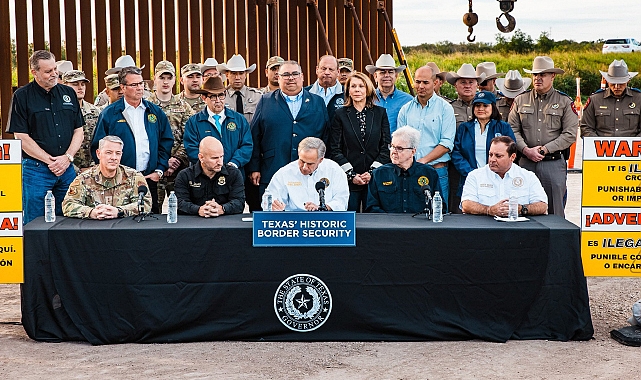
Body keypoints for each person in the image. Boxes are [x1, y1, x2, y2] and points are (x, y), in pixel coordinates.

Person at [8, 50, 84, 224]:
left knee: (70, 220)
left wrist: (67, 158)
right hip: (36, 170)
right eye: (48, 71)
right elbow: (20, 136)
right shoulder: (22, 96)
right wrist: (51, 161)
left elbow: (78, 130)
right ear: (34, 72)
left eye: (55, 69)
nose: (54, 74)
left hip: (66, 169)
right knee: (35, 223)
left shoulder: (68, 93)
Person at [91, 66, 174, 214]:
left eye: (141, 83)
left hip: (148, 179)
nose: (139, 88)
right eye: (134, 85)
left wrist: (159, 170)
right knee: (120, 224)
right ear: (122, 87)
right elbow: (98, 147)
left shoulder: (154, 112)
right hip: (119, 182)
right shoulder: (110, 113)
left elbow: (166, 142)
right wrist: (110, 174)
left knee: (150, 221)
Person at [248, 60, 329, 202]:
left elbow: (326, 135)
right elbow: (254, 136)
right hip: (273, 168)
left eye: (294, 74)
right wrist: (254, 167)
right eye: (285, 74)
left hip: (309, 171)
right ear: (278, 78)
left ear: (302, 77)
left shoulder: (317, 102)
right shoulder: (265, 101)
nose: (290, 78)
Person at [508, 56, 578, 216]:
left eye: (543, 75)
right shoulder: (520, 100)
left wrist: (545, 149)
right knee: (522, 208)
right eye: (535, 75)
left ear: (552, 76)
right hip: (525, 163)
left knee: (555, 211)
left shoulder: (564, 101)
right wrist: (525, 150)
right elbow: (512, 129)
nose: (538, 78)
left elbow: (570, 134)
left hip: (552, 164)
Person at [329, 71, 391, 211]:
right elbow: (335, 149)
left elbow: (386, 146)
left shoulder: (380, 113)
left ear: (368, 89)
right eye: (353, 86)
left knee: (374, 222)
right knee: (351, 219)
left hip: (374, 179)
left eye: (361, 86)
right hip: (349, 180)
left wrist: (372, 172)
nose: (357, 90)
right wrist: (351, 174)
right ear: (348, 90)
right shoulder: (340, 114)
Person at [397, 65, 456, 208]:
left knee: (439, 213)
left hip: (437, 171)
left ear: (435, 83)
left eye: (425, 82)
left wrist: (423, 161)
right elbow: (400, 143)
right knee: (410, 214)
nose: (420, 86)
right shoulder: (406, 109)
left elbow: (447, 143)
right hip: (410, 172)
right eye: (418, 82)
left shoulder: (445, 108)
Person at [62, 135, 152, 219]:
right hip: (94, 230)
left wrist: (119, 211)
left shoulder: (134, 177)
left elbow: (146, 204)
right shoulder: (84, 179)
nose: (114, 157)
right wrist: (91, 212)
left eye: (118, 153)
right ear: (98, 154)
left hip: (124, 230)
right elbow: (68, 205)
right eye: (109, 153)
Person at [452, 91, 516, 206]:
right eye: (477, 105)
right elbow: (457, 153)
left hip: (497, 177)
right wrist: (472, 173)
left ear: (493, 107)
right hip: (470, 177)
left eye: (485, 105)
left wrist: (493, 171)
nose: (481, 108)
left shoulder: (503, 127)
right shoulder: (464, 128)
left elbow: (511, 151)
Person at [461, 136, 548, 217]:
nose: (492, 160)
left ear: (512, 157)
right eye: (490, 155)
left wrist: (522, 209)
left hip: (519, 228)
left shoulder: (528, 177)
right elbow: (466, 204)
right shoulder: (475, 176)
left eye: (498, 156)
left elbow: (542, 206)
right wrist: (488, 210)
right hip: (485, 228)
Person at [147, 60, 195, 206]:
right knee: (152, 210)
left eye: (169, 78)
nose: (166, 82)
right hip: (153, 168)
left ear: (175, 80)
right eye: (162, 78)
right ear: (155, 79)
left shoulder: (184, 107)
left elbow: (189, 137)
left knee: (182, 210)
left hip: (179, 169)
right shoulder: (146, 105)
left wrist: (176, 159)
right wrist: (162, 162)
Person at [183, 76, 252, 171]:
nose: (218, 100)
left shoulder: (239, 119)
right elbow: (192, 149)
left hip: (234, 175)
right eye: (213, 96)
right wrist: (212, 166)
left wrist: (234, 163)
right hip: (206, 177)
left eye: (221, 95)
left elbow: (247, 145)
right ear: (204, 98)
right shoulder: (194, 122)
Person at [366, 126, 442, 213]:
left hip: (420, 225)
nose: (393, 151)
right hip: (388, 224)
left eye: (399, 148)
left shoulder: (429, 173)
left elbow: (439, 207)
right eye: (392, 146)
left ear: (413, 152)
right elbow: (372, 208)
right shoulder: (379, 174)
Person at [265, 137, 348, 212]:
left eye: (310, 164)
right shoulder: (285, 172)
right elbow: (270, 197)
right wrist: (274, 206)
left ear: (320, 160)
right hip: (293, 221)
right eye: (302, 161)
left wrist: (323, 207)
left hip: (325, 221)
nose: (304, 167)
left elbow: (341, 200)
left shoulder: (334, 170)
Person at [174, 136, 245, 217]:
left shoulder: (234, 174)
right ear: (201, 157)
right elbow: (179, 203)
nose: (220, 162)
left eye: (221, 156)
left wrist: (222, 209)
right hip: (193, 224)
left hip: (225, 223)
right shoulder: (185, 176)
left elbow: (239, 202)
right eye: (214, 158)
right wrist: (198, 210)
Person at [581, 59, 641, 137]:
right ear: (607, 81)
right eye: (613, 83)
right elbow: (586, 128)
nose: (616, 87)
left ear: (628, 81)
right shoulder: (595, 100)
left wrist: (633, 143)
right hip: (601, 147)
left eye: (620, 83)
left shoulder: (638, 99)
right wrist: (598, 143)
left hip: (633, 147)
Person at [61, 70, 102, 171]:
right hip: (66, 168)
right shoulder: (58, 112)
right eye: (75, 84)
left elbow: (101, 141)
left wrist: (95, 166)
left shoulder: (96, 111)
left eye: (83, 84)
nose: (80, 87)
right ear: (64, 85)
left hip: (93, 169)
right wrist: (76, 169)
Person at [366, 54, 412, 134]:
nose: (387, 75)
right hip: (373, 146)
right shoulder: (367, 99)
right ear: (375, 76)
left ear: (396, 76)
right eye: (382, 72)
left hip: (398, 145)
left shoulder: (408, 100)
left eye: (390, 72)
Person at [217, 54, 263, 123]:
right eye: (233, 73)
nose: (237, 78)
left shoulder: (257, 96)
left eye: (241, 73)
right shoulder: (220, 97)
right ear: (227, 75)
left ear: (245, 75)